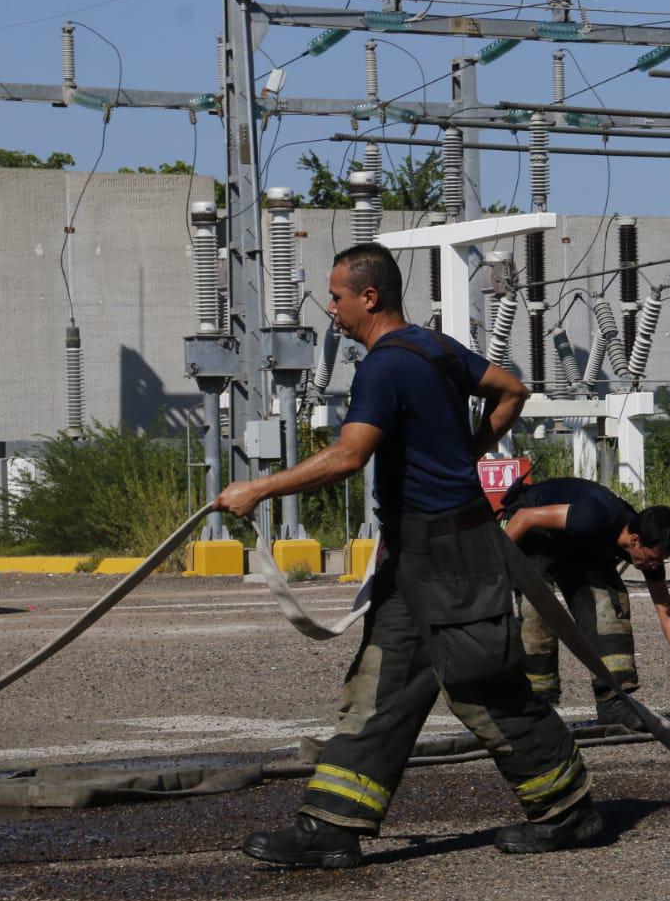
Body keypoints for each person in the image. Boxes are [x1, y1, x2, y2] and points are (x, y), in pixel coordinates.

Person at [217, 242, 600, 867]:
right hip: (420, 554)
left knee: (482, 685)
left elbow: (348, 456)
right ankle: (332, 825)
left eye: (336, 297)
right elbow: (511, 389)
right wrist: (466, 452)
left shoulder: (383, 367)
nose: (331, 309)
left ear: (369, 297)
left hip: (448, 555)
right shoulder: (434, 347)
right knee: (383, 681)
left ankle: (569, 810)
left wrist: (255, 488)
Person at [501, 477, 670, 729]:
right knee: (536, 609)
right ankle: (535, 710)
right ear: (635, 540)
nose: (654, 566)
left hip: (579, 545)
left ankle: (613, 704)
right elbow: (525, 518)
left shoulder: (649, 543)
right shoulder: (595, 516)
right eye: (652, 559)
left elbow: (667, 612)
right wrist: (489, 571)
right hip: (535, 529)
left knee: (609, 610)